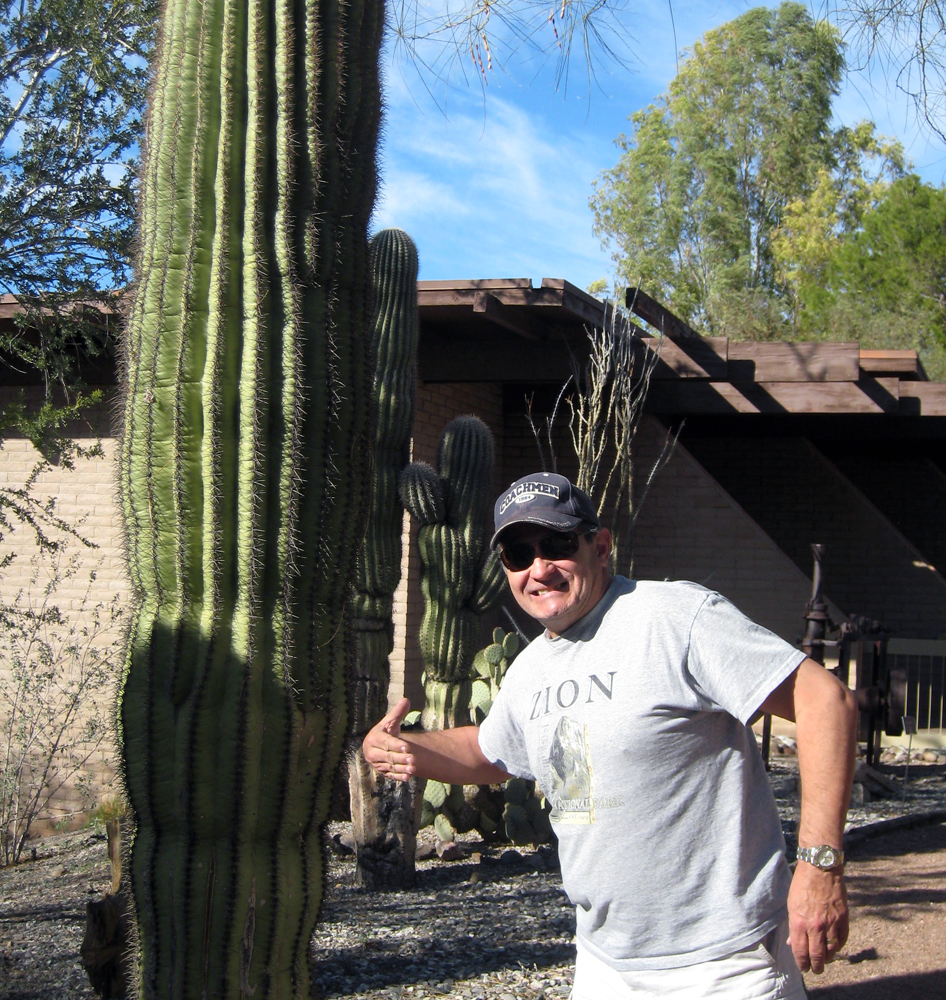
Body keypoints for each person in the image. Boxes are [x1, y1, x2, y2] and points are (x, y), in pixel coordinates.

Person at [364, 472, 858, 999]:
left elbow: (825, 700)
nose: (539, 568)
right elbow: (490, 751)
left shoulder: (674, 617)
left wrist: (819, 864)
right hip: (604, 964)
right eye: (518, 555)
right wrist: (407, 749)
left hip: (725, 964)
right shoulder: (531, 669)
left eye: (556, 544)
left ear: (600, 547)